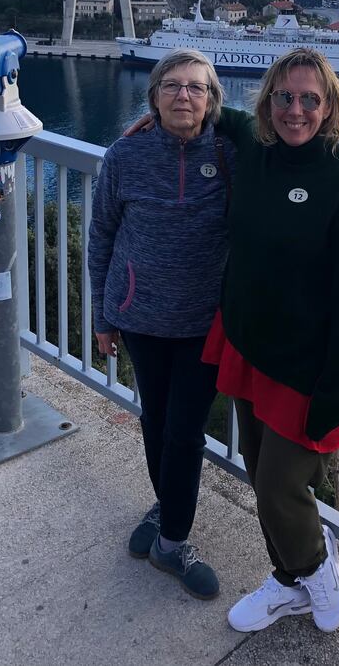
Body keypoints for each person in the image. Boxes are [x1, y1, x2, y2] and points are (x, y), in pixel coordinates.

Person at [205, 47, 339, 634]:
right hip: (251, 349)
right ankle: (287, 581)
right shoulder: (258, 153)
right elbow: (221, 115)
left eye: (310, 99)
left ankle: (315, 570)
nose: (296, 110)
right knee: (260, 475)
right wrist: (168, 112)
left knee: (281, 487)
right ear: (269, 103)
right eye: (284, 97)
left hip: (307, 373)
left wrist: (335, 396)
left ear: (330, 107)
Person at [88, 49, 235, 601]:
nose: (183, 96)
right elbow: (101, 236)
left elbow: (278, 142)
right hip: (140, 317)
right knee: (155, 420)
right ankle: (167, 509)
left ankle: (170, 540)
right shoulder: (125, 155)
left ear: (212, 99)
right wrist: (103, 314)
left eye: (197, 87)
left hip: (203, 323)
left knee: (185, 431)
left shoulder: (229, 154)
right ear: (153, 96)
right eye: (171, 86)